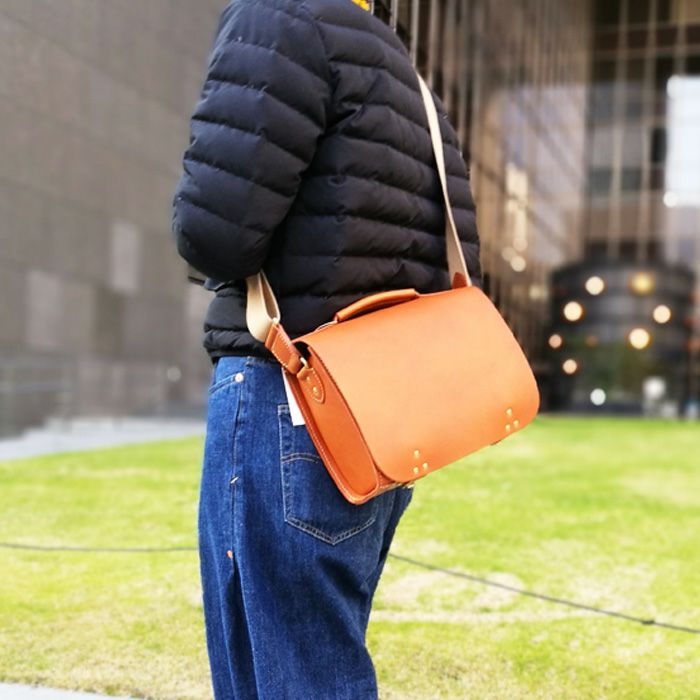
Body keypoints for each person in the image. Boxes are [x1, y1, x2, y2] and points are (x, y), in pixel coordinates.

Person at [170, 0, 482, 697]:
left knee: (282, 672)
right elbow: (456, 258)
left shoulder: (277, 18)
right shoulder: (406, 75)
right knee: (317, 661)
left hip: (289, 392)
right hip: (380, 419)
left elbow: (214, 232)